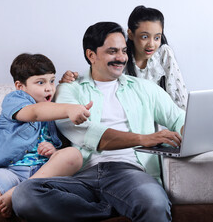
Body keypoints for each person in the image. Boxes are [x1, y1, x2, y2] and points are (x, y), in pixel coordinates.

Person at [12, 22, 185, 222]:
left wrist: (193, 133)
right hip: (82, 176)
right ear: (91, 55)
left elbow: (179, 119)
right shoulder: (69, 90)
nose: (121, 58)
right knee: (24, 195)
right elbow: (88, 133)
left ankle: (115, 205)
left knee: (155, 204)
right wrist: (142, 138)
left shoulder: (145, 88)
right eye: (112, 51)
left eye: (124, 51)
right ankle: (110, 209)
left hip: (130, 173)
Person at [0, 53, 92, 221]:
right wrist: (69, 108)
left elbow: (59, 146)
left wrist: (53, 150)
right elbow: (35, 113)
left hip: (43, 172)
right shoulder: (15, 100)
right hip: (10, 171)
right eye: (40, 82)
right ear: (20, 86)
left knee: (73, 155)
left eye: (52, 81)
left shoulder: (53, 105)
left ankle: (18, 192)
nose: (49, 88)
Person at [60, 5, 188, 110]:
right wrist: (73, 79)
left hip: (160, 117)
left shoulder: (164, 53)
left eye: (157, 37)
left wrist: (182, 124)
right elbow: (99, 77)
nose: (151, 44)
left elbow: (178, 94)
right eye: (144, 37)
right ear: (130, 34)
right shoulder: (120, 59)